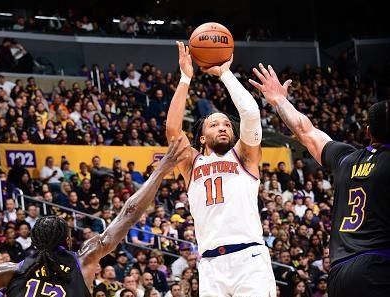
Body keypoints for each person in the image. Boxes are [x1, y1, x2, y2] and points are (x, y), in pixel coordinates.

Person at [249, 63, 390, 297]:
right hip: (378, 266)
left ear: (367, 132)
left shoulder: (347, 159)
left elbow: (306, 132)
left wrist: (279, 101)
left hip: (340, 273)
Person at [0, 137, 188, 296]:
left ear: (34, 241)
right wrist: (160, 171)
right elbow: (129, 214)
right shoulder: (84, 260)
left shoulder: (8, 272)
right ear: (68, 240)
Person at [165, 41, 276, 296]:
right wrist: (185, 78)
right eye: (214, 125)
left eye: (226, 124)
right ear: (202, 138)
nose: (223, 127)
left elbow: (250, 113)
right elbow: (173, 130)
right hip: (211, 265)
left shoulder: (245, 157)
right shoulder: (191, 163)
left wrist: (225, 73)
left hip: (249, 258)